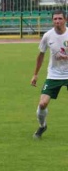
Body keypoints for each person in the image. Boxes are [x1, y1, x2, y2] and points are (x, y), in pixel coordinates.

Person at [30, 10, 68, 139]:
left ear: (65, 20)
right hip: (54, 75)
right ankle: (42, 126)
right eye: (55, 19)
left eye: (60, 18)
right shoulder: (47, 36)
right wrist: (35, 74)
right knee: (42, 104)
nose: (57, 21)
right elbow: (41, 55)